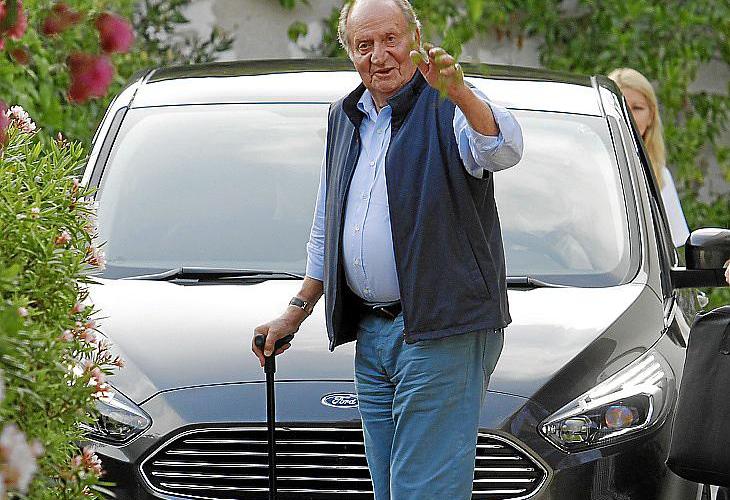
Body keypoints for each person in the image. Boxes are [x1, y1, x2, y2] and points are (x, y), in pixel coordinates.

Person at [252, 0, 523, 498]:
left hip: (442, 331)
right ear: (350, 53)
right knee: (391, 490)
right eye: (364, 45)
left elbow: (503, 149)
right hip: (373, 333)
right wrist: (296, 310)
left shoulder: (449, 103)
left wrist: (460, 93)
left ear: (415, 38)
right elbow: (328, 224)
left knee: (422, 492)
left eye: (390, 39)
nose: (379, 55)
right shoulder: (344, 116)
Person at [608, 68, 690, 248]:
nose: (628, 115)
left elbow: (674, 245)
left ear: (651, 116)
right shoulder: (585, 167)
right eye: (619, 106)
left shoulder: (659, 175)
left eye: (637, 108)